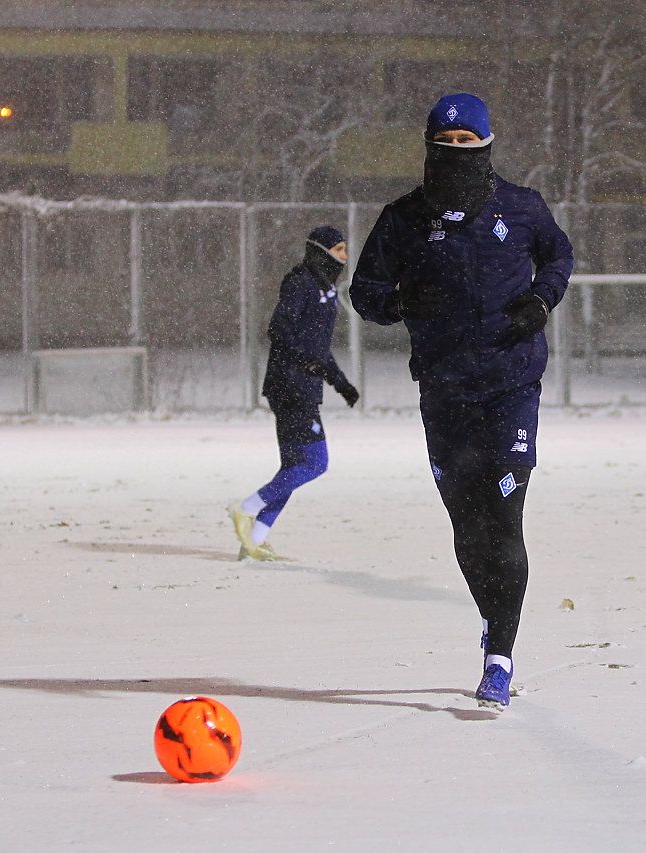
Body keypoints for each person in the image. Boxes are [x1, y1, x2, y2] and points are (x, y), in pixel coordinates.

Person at [349, 93, 573, 710]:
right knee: (467, 528)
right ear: (428, 150)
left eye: (466, 145)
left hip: (510, 386)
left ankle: (500, 652)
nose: (455, 155)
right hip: (444, 391)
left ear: (487, 146)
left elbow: (560, 254)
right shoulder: (402, 219)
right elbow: (365, 290)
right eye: (444, 146)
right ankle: (491, 614)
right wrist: (397, 305)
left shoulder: (522, 208)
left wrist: (542, 300)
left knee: (504, 521)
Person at [229, 225, 360, 561]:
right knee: (316, 463)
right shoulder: (300, 282)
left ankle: (254, 539)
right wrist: (307, 364)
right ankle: (246, 509)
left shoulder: (325, 289)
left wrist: (339, 381)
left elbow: (317, 347)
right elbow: (279, 329)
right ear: (321, 251)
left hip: (302, 385)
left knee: (293, 466)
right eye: (339, 250)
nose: (344, 258)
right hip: (290, 386)